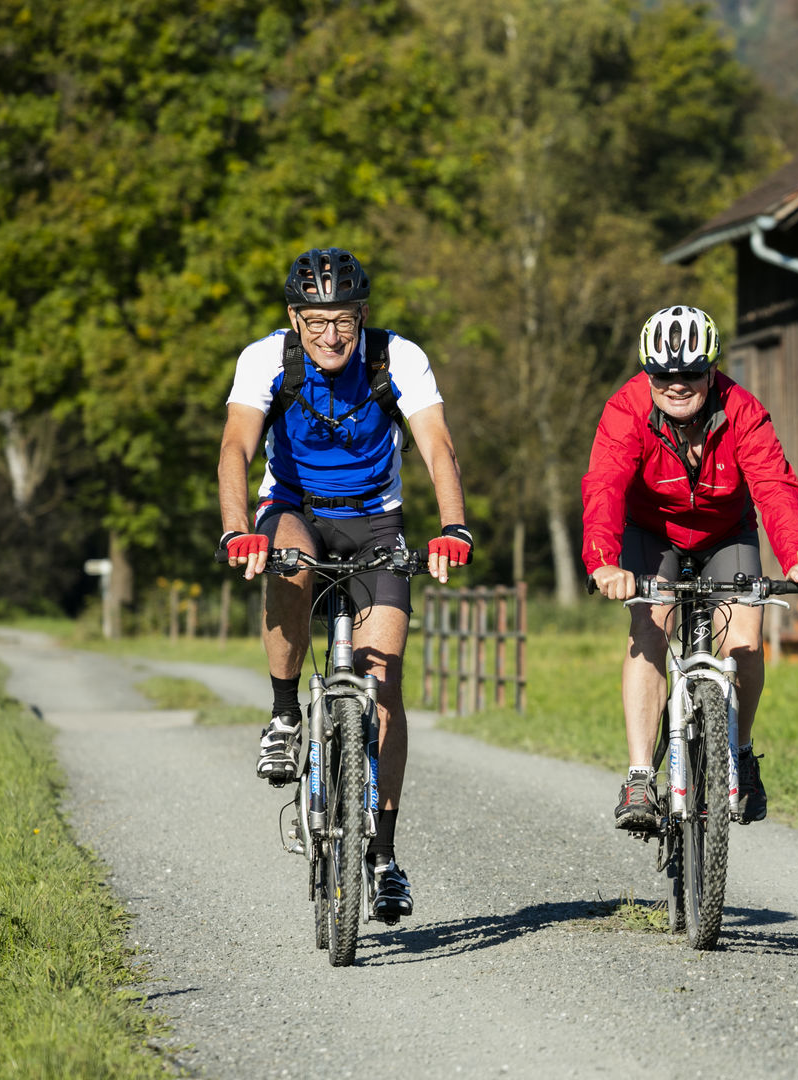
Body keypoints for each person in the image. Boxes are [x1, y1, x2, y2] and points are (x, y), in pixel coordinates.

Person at [216, 247, 471, 922]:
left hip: (375, 524)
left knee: (384, 683)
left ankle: (383, 856)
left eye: (345, 322)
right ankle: (282, 712)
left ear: (362, 317)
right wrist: (238, 528)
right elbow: (236, 447)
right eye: (317, 321)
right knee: (289, 564)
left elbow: (437, 444)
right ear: (295, 319)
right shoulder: (266, 360)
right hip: (294, 511)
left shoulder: (398, 359)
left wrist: (455, 527)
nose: (331, 337)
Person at [580, 305, 798, 831]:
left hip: (724, 532)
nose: (676, 385)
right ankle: (641, 776)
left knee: (745, 635)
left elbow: (775, 487)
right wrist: (603, 561)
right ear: (648, 372)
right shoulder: (625, 410)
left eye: (689, 373)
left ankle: (740, 753)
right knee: (651, 624)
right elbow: (604, 485)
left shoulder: (742, 410)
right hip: (654, 533)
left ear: (711, 370)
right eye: (663, 375)